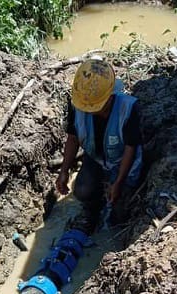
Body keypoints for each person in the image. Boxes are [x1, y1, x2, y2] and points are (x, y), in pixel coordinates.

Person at [56, 58, 145, 230]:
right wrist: (64, 170)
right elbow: (73, 138)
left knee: (120, 213)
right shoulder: (78, 104)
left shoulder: (128, 108)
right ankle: (92, 211)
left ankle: (116, 212)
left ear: (110, 96)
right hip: (96, 157)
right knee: (82, 191)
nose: (90, 110)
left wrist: (118, 183)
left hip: (123, 160)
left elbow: (130, 147)